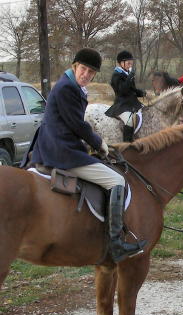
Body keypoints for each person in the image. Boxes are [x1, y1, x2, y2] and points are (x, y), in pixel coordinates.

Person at [29, 48, 146, 263]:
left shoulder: (71, 85)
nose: (86, 75)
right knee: (116, 180)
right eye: (83, 69)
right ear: (75, 66)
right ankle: (116, 243)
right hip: (62, 150)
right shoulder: (67, 88)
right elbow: (77, 125)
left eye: (91, 72)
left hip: (59, 144)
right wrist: (99, 143)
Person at [105, 50, 145, 142]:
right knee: (129, 121)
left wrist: (141, 93)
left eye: (131, 62)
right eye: (128, 62)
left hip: (132, 103)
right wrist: (130, 76)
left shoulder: (127, 74)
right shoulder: (116, 75)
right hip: (122, 105)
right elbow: (123, 90)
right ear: (121, 63)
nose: (130, 64)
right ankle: (126, 144)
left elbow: (131, 89)